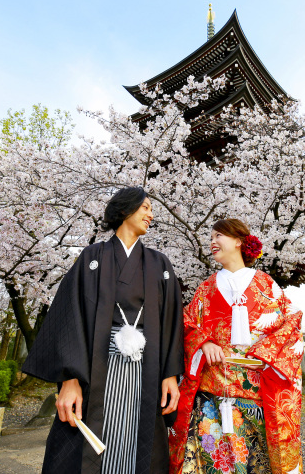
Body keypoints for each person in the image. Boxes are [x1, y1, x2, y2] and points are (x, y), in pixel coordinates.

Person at [22, 187, 185, 474]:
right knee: (86, 444)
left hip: (146, 370)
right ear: (125, 210)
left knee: (140, 443)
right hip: (97, 368)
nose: (151, 214)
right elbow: (70, 315)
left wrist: (171, 374)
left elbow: (172, 319)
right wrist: (69, 379)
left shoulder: (160, 264)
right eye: (145, 208)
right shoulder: (92, 258)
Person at [169, 219, 303, 474]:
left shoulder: (266, 284)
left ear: (239, 241)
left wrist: (263, 355)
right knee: (210, 466)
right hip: (211, 396)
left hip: (256, 396)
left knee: (255, 465)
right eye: (211, 237)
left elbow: (291, 323)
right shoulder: (206, 288)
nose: (212, 242)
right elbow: (185, 323)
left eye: (218, 235)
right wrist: (204, 342)